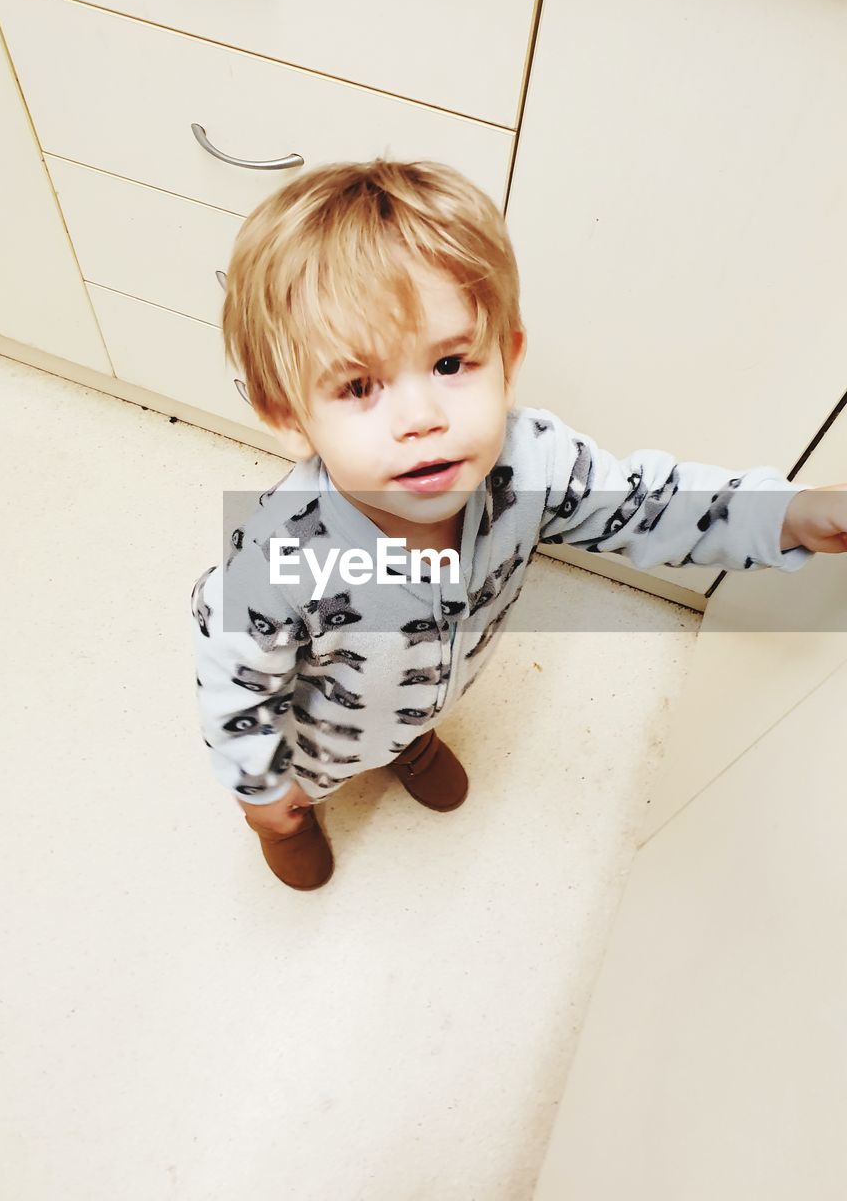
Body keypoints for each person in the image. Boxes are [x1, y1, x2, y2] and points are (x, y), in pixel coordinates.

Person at [190, 158, 846, 891]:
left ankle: (409, 742)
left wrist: (789, 513)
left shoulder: (530, 460)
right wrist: (262, 790)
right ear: (289, 417)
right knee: (302, 784)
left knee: (409, 706)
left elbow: (648, 502)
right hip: (320, 742)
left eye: (449, 362)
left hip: (430, 684)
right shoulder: (280, 561)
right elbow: (237, 683)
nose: (422, 418)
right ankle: (292, 818)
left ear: (506, 359)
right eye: (359, 386)